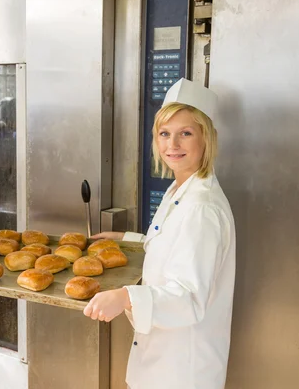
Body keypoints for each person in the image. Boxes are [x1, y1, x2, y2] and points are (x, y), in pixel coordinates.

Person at [84, 78, 236, 389]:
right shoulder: (180, 189)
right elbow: (177, 246)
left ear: (208, 139)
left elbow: (190, 297)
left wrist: (125, 296)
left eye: (186, 134)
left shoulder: (201, 208)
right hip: (162, 362)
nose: (172, 145)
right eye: (165, 134)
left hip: (181, 370)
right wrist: (128, 241)